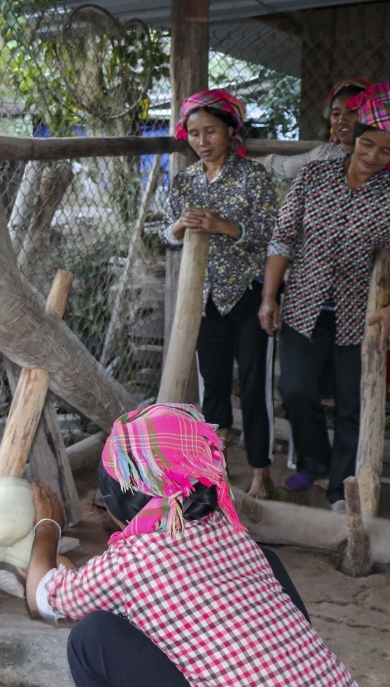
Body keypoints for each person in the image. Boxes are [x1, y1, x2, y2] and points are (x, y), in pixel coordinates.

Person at [25, 404, 379, 687]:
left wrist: (46, 526)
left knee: (92, 639)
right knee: (254, 579)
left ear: (115, 499)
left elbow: (40, 597)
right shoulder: (232, 534)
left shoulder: (133, 561)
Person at [260, 83, 390, 509]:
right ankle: (314, 460)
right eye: (367, 142)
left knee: (351, 406)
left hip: (362, 317)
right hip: (303, 305)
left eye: (385, 150)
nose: (373, 155)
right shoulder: (314, 176)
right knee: (295, 389)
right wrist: (269, 297)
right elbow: (282, 239)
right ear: (354, 135)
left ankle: (343, 490)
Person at [164, 90, 278, 499]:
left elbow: (273, 237)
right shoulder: (184, 181)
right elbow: (166, 235)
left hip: (249, 295)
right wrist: (178, 227)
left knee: (253, 385)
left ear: (231, 130)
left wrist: (224, 226)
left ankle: (262, 472)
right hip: (204, 298)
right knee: (212, 385)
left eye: (210, 131)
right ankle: (213, 472)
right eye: (194, 133)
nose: (202, 141)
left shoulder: (254, 178)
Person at [255, 78, 390, 197]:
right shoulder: (326, 154)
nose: (342, 120)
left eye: (352, 112)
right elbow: (284, 166)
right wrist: (245, 158)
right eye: (336, 114)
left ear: (370, 118)